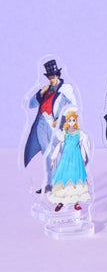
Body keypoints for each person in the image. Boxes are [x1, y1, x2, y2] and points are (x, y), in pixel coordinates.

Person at [24, 59, 77, 192]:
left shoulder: (65, 89)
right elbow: (31, 104)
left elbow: (73, 107)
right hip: (42, 124)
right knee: (48, 155)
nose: (51, 79)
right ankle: (51, 184)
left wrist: (61, 120)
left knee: (65, 151)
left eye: (53, 77)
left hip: (55, 125)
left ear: (58, 75)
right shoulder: (46, 90)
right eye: (49, 77)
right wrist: (41, 93)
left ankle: (68, 181)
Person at [48, 111, 90, 212]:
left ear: (76, 121)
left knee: (76, 178)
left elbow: (82, 146)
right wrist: (53, 159)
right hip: (66, 158)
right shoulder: (65, 133)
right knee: (64, 177)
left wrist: (84, 158)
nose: (71, 122)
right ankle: (61, 202)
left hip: (76, 158)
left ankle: (76, 202)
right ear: (67, 121)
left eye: (73, 120)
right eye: (70, 120)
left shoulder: (79, 133)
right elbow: (59, 145)